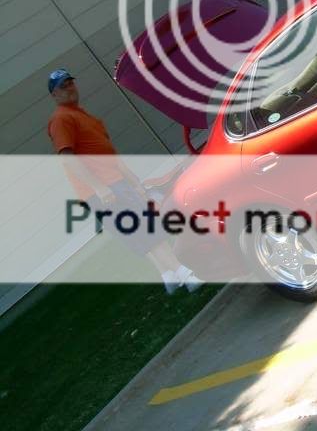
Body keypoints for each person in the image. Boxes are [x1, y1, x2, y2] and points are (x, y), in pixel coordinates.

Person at [46, 68, 201, 293]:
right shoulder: (61, 119)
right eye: (63, 86)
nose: (69, 88)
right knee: (145, 229)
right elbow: (67, 158)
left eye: (70, 83)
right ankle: (184, 273)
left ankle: (168, 274)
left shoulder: (84, 116)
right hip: (105, 188)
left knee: (138, 230)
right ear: (54, 94)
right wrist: (99, 187)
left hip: (115, 183)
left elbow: (109, 153)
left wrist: (133, 181)